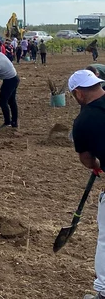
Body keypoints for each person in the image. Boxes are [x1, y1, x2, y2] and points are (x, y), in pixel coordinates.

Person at [67, 70, 105, 299]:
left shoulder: (83, 122)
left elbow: (87, 160)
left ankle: (102, 290)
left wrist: (98, 164)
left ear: (78, 94)